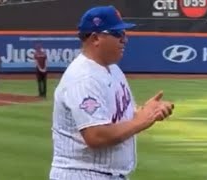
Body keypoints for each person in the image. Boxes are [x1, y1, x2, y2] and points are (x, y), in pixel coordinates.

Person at [49, 5, 175, 180]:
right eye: (118, 34)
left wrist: (147, 111)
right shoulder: (84, 78)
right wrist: (141, 120)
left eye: (124, 33)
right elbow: (96, 136)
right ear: (95, 38)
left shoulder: (112, 69)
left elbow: (117, 118)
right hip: (82, 174)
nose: (125, 39)